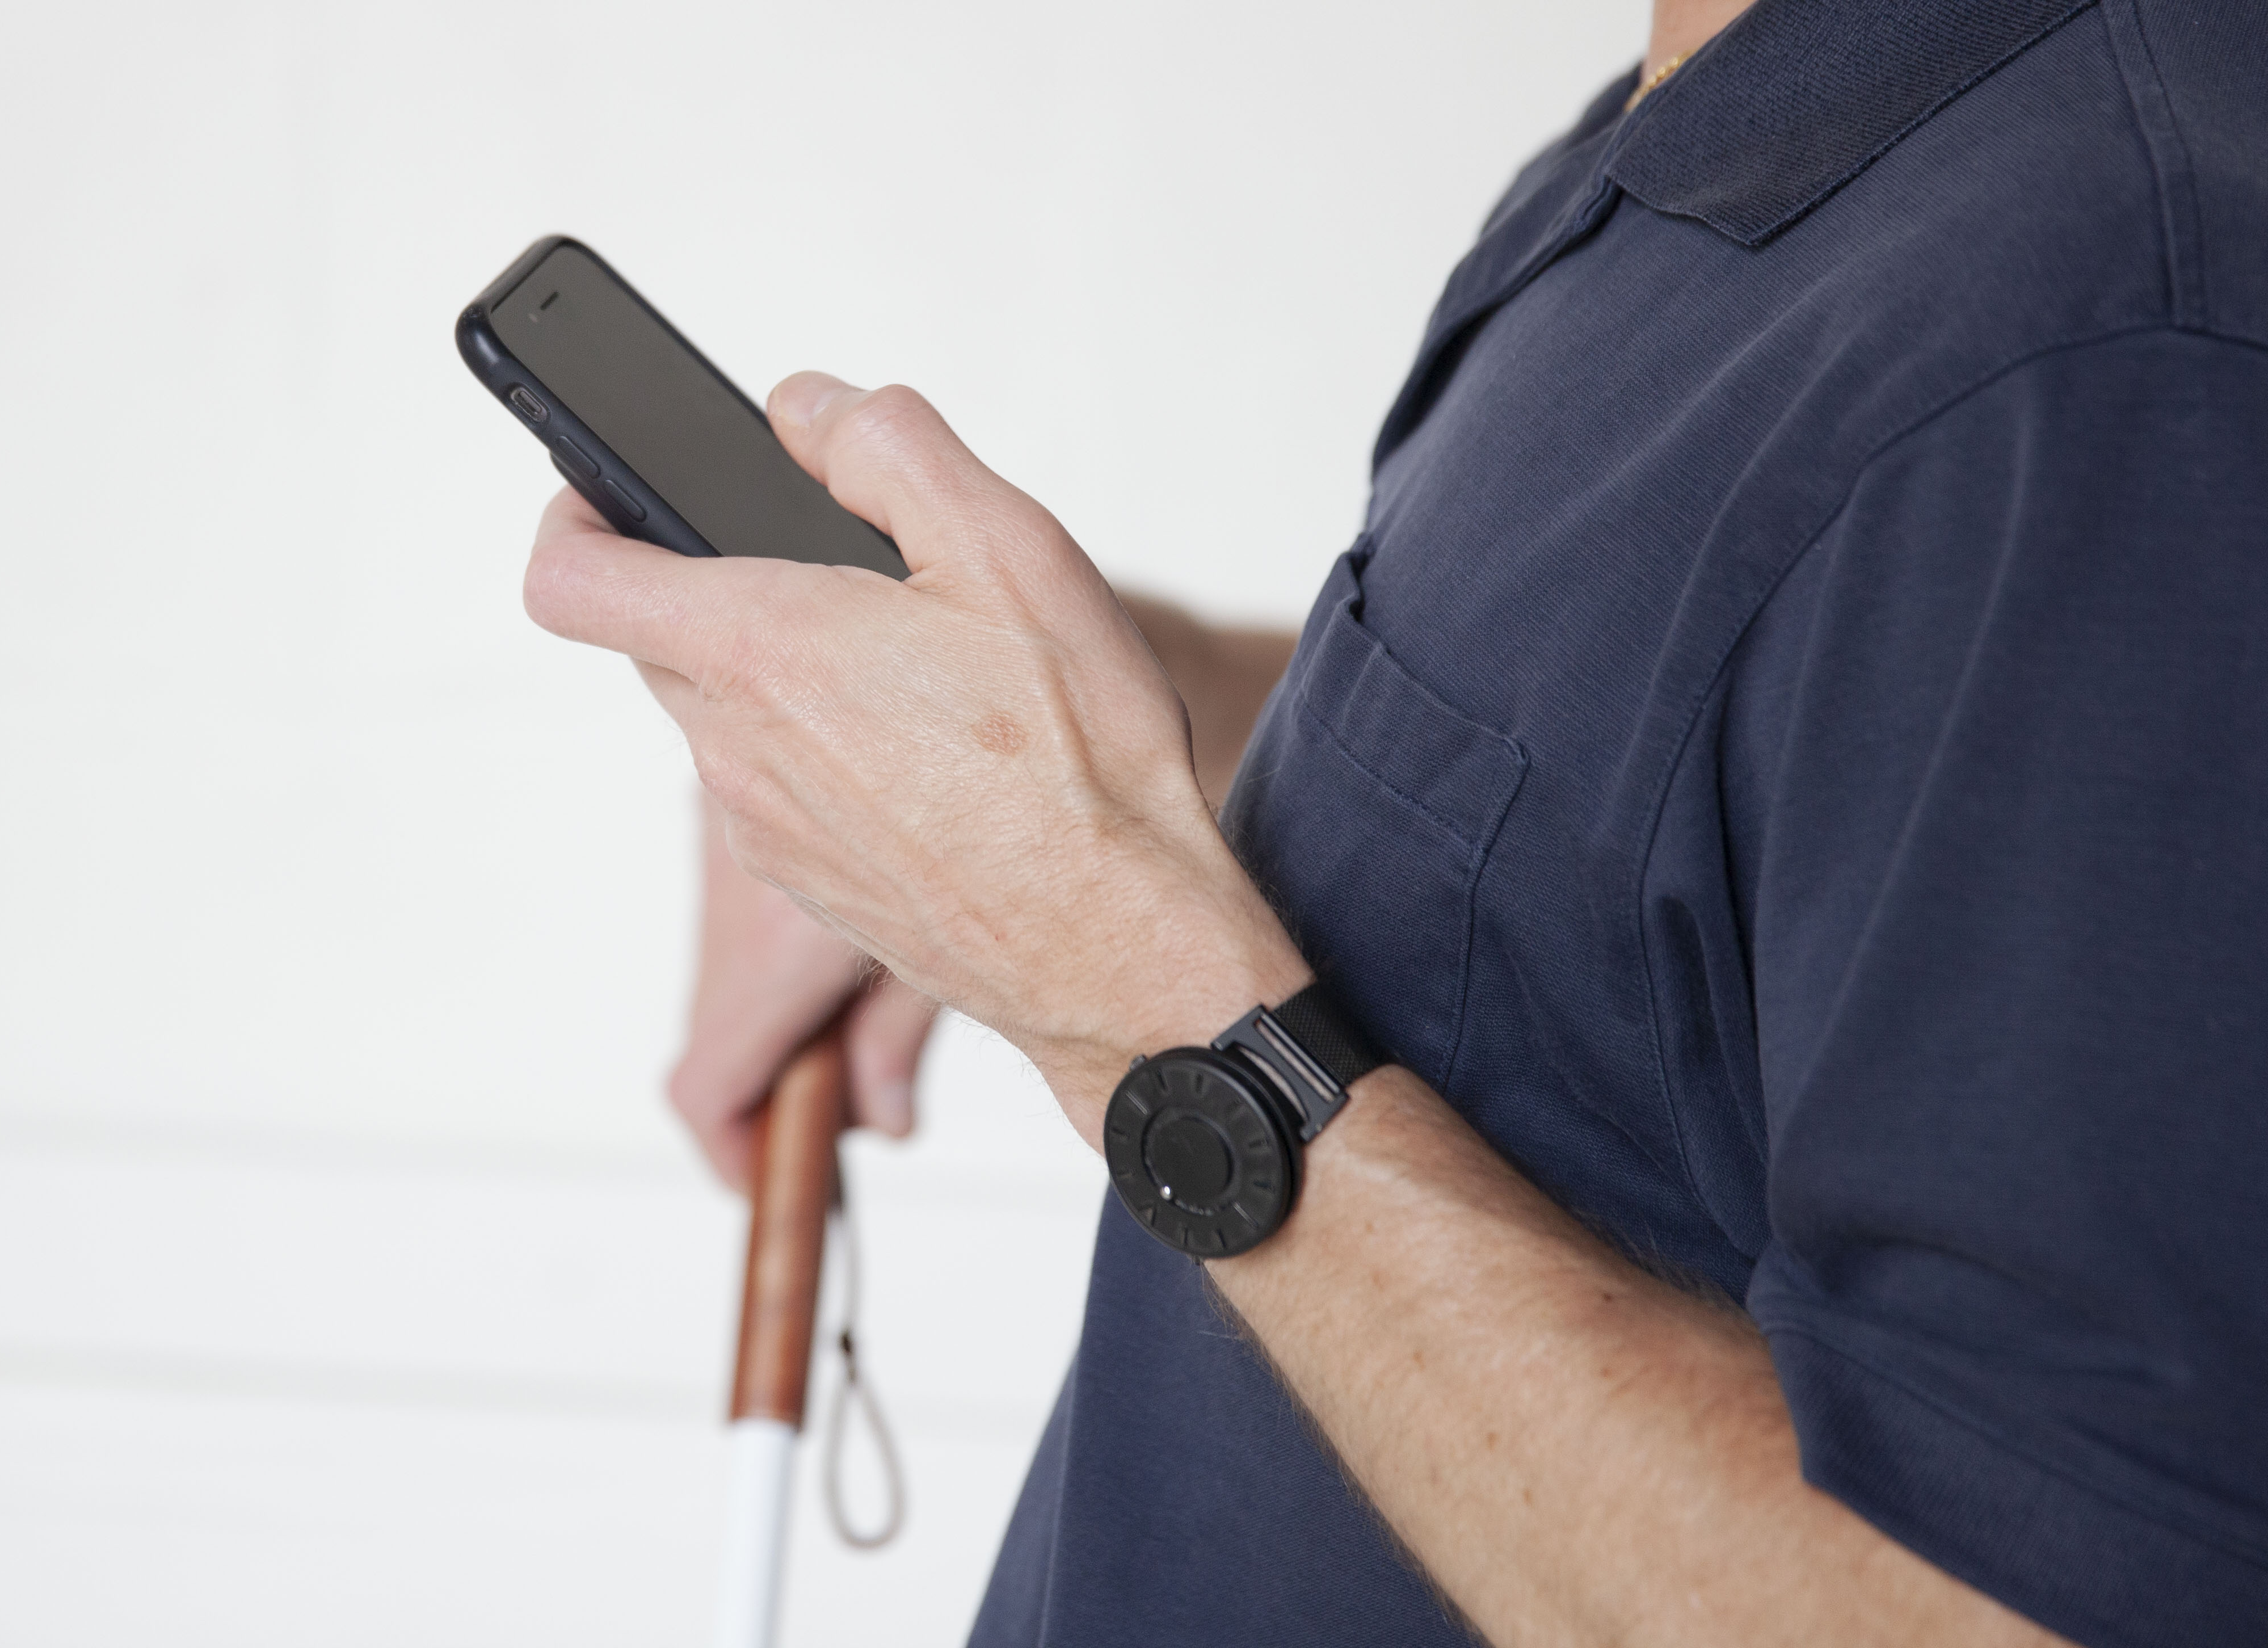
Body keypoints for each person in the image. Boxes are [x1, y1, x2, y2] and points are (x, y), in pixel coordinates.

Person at [522, 0, 2268, 1641]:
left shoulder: (2107, 343)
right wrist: (1060, 742)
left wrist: (1101, 955)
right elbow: (1652, 792)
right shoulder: (1729, 121)